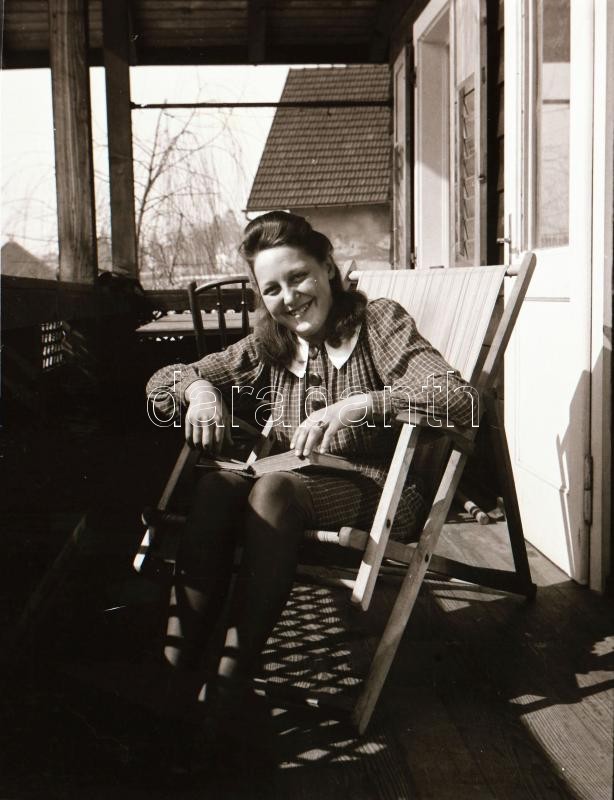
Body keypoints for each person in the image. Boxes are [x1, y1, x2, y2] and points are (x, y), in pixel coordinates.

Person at [146, 211, 476, 745]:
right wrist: (199, 392)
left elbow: (459, 399)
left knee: (271, 490)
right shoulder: (272, 343)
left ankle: (224, 693)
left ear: (328, 267)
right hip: (295, 481)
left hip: (384, 491)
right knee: (215, 486)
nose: (289, 297)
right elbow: (165, 379)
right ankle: (171, 681)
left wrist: (360, 405)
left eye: (298, 276)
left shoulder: (377, 324)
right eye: (272, 288)